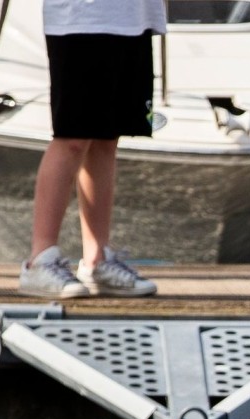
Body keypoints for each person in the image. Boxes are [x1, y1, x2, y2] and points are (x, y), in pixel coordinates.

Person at [19, 0, 166, 298]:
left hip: (133, 18)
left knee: (106, 139)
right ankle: (39, 260)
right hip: (80, 18)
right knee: (72, 137)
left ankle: (97, 259)